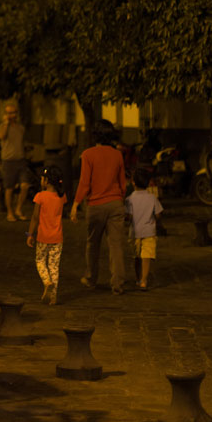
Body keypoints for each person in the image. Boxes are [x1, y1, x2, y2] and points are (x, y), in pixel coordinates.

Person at [70, 119, 127, 294]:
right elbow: (123, 183)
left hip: (96, 205)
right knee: (116, 245)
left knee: (92, 244)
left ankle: (91, 277)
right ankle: (118, 283)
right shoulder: (117, 154)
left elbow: (84, 183)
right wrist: (119, 199)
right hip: (116, 203)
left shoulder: (88, 154)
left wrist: (75, 205)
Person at [26, 166, 67, 305]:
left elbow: (35, 217)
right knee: (54, 266)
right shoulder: (62, 197)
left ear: (47, 181)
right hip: (57, 238)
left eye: (42, 179)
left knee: (40, 261)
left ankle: (46, 281)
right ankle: (53, 297)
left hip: (43, 237)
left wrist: (29, 234)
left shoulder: (40, 196)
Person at [125, 167, 163, 290]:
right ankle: (144, 281)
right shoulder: (152, 197)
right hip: (149, 231)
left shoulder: (129, 199)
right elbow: (158, 214)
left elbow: (129, 217)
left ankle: (137, 278)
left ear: (133, 182)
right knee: (146, 257)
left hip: (134, 232)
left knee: (136, 257)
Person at [0, 102, 29, 221]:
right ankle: (10, 213)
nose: (12, 115)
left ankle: (18, 209)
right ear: (5, 114)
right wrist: (6, 123)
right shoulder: (2, 127)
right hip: (8, 161)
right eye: (9, 113)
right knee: (9, 188)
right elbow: (1, 136)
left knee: (25, 185)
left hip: (20, 160)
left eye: (14, 112)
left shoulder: (20, 128)